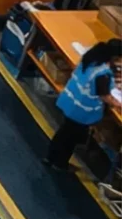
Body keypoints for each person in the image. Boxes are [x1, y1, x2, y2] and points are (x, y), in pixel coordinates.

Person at [48, 40, 122, 172]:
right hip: (81, 111)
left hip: (71, 100)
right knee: (70, 139)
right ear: (115, 58)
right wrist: (118, 103)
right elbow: (105, 96)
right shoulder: (103, 73)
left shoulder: (92, 57)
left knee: (63, 133)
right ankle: (60, 163)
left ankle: (50, 157)